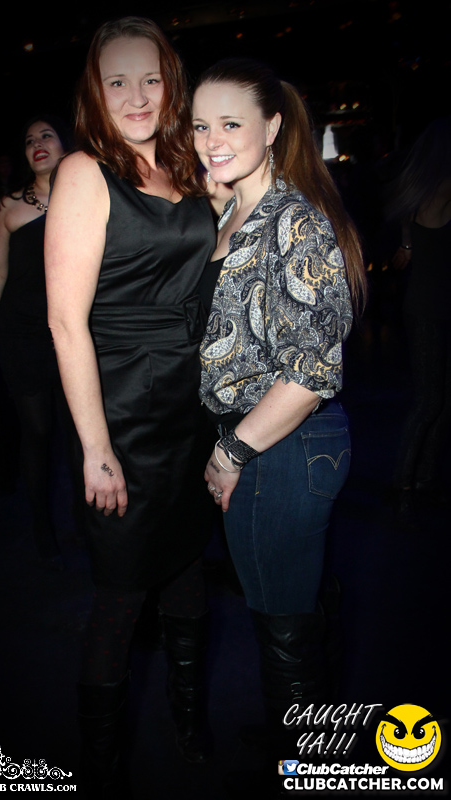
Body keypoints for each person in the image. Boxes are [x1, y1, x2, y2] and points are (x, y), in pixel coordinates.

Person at [44, 17, 216, 796]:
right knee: (120, 596)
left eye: (150, 78)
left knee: (185, 571)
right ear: (95, 91)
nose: (137, 95)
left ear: (170, 83)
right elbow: (64, 322)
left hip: (189, 407)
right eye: (117, 81)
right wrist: (96, 450)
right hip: (122, 416)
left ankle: (188, 719)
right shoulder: (86, 171)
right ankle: (102, 768)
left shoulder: (185, 167)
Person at [192, 58, 366, 791]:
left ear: (271, 127)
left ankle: (306, 770)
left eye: (230, 123)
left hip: (281, 446)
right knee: (290, 610)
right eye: (200, 125)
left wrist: (231, 452)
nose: (211, 140)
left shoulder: (293, 219)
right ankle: (301, 735)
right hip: (266, 445)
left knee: (283, 628)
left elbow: (311, 370)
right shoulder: (233, 212)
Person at [0, 115, 74, 567]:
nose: (38, 144)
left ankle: (91, 521)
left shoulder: (86, 197)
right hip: (22, 333)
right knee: (38, 431)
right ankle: (41, 527)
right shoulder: (8, 206)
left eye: (46, 135)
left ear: (65, 143)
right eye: (30, 140)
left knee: (78, 431)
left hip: (72, 332)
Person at [388, 117, 451, 526]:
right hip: (429, 307)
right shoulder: (441, 190)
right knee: (431, 401)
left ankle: (422, 481)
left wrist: (407, 243)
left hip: (429, 304)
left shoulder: (421, 193)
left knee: (440, 401)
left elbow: (405, 227)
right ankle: (404, 485)